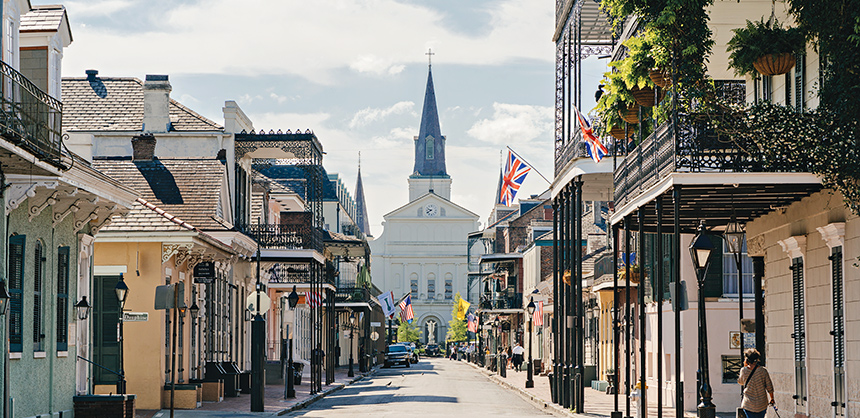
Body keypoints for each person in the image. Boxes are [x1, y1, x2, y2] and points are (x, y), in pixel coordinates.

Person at [737, 348, 775, 418]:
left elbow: (740, 382)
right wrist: (772, 398)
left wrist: (745, 366)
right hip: (762, 403)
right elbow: (769, 387)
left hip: (748, 404)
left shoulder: (743, 370)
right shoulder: (763, 371)